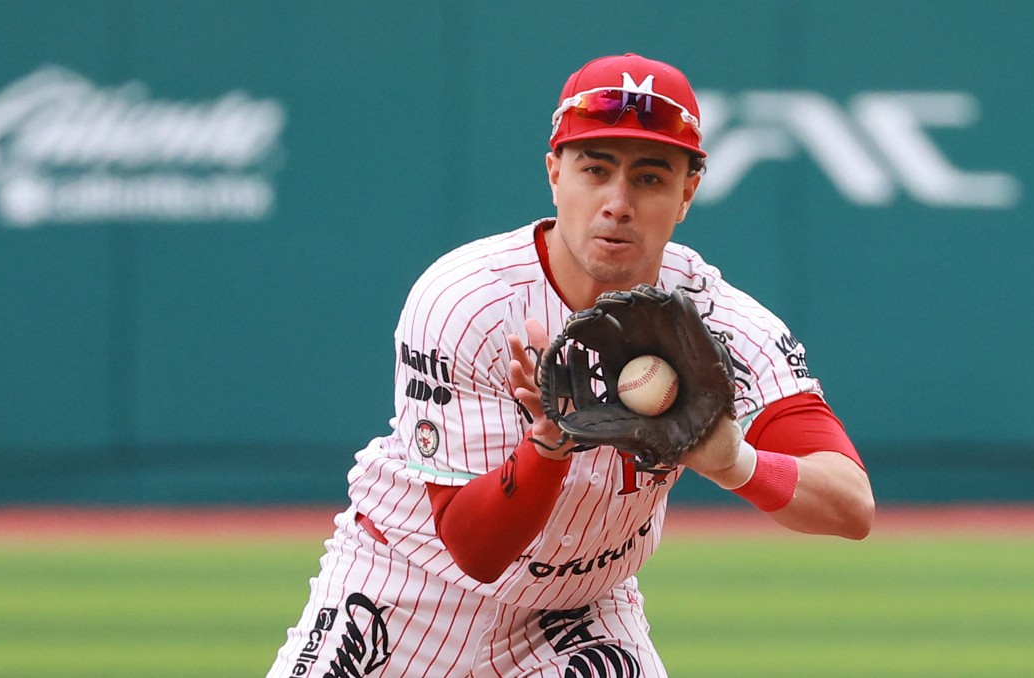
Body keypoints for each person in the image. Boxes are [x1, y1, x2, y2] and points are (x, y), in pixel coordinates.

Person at [267, 53, 874, 677]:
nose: (618, 202)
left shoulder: (715, 321)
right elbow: (475, 551)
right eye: (595, 169)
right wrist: (551, 444)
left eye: (649, 178)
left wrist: (736, 462)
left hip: (580, 613)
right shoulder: (467, 299)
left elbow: (851, 506)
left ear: (687, 192)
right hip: (404, 587)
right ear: (555, 174)